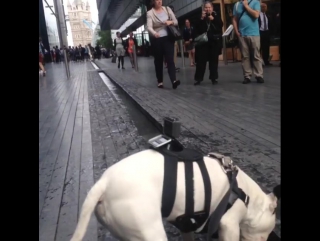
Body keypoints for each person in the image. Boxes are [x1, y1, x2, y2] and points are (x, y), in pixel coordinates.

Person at [147, 0, 180, 89]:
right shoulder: (150, 13)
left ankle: (174, 80)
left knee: (170, 59)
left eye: (160, 0)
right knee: (158, 60)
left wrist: (170, 22)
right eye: (157, 0)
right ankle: (160, 81)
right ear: (153, 2)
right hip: (157, 39)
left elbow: (176, 21)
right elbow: (149, 27)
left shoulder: (167, 9)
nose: (159, 1)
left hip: (168, 38)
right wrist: (154, 33)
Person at [233, 0, 264, 84]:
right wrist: (236, 31)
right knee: (245, 56)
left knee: (256, 55)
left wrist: (246, 6)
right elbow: (235, 19)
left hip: (254, 33)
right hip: (242, 34)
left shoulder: (255, 2)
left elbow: (256, 15)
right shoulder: (237, 4)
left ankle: (259, 75)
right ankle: (247, 76)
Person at [194, 1, 223, 85]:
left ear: (212, 8)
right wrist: (201, 19)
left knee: (214, 61)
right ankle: (198, 78)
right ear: (203, 8)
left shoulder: (216, 15)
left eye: (209, 7)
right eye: (206, 7)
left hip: (213, 42)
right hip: (203, 43)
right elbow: (196, 28)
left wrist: (213, 19)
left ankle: (214, 78)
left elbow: (220, 25)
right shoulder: (200, 16)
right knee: (200, 61)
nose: (207, 9)